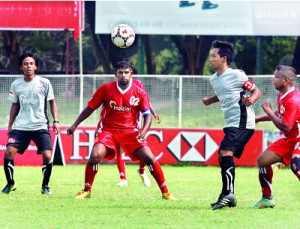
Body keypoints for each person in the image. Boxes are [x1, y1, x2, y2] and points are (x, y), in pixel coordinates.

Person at [67, 60, 176, 200]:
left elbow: (147, 116)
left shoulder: (139, 92)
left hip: (131, 132)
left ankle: (165, 192)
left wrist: (144, 130)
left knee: (149, 157)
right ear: (115, 74)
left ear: (131, 74)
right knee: (95, 156)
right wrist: (75, 125)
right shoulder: (106, 89)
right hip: (108, 131)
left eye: (126, 73)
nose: (123, 75)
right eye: (120, 73)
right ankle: (87, 190)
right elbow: (90, 108)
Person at [202, 40, 261, 210]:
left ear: (224, 58)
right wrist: (210, 101)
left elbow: (256, 91)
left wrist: (251, 99)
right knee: (223, 156)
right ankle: (229, 195)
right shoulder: (214, 79)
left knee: (226, 152)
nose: (210, 59)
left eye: (214, 56)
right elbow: (224, 94)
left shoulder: (237, 74)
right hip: (231, 122)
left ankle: (227, 194)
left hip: (243, 121)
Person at [2, 51, 60, 195]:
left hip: (40, 126)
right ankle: (10, 184)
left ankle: (45, 186)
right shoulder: (16, 84)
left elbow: (52, 102)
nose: (28, 66)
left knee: (47, 156)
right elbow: (14, 105)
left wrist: (56, 121)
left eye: (31, 64)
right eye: (25, 64)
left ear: (36, 67)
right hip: (21, 127)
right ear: (21, 67)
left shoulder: (44, 83)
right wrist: (10, 125)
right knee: (9, 152)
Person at [251, 65, 300, 209]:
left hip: (298, 138)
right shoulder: (283, 94)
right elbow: (280, 114)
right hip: (290, 139)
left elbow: (285, 126)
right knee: (263, 160)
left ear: (286, 81)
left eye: (277, 77)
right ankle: (267, 198)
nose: (273, 79)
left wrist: (269, 112)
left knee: (296, 166)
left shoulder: (293, 100)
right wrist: (259, 118)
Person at [95, 94, 161, 188]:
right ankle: (123, 178)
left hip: (136, 125)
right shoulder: (118, 85)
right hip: (121, 125)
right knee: (120, 149)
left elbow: (146, 101)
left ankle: (142, 171)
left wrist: (154, 114)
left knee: (143, 151)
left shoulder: (138, 85)